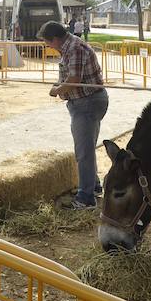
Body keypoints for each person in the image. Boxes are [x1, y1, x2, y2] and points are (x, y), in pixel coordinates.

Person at [37, 20, 109, 210]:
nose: (47, 46)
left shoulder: (74, 48)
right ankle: (93, 187)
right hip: (86, 101)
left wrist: (57, 90)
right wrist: (61, 87)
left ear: (55, 39)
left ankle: (85, 199)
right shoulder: (71, 45)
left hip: (87, 103)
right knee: (87, 147)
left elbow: (74, 80)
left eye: (47, 42)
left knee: (83, 152)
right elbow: (72, 77)